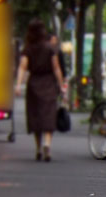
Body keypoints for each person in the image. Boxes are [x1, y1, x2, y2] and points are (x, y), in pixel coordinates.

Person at [15, 19, 66, 162]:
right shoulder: (50, 48)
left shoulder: (28, 49)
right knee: (48, 115)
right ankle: (47, 144)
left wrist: (18, 84)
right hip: (49, 83)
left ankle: (38, 148)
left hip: (34, 84)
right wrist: (61, 85)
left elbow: (22, 67)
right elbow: (56, 68)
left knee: (35, 115)